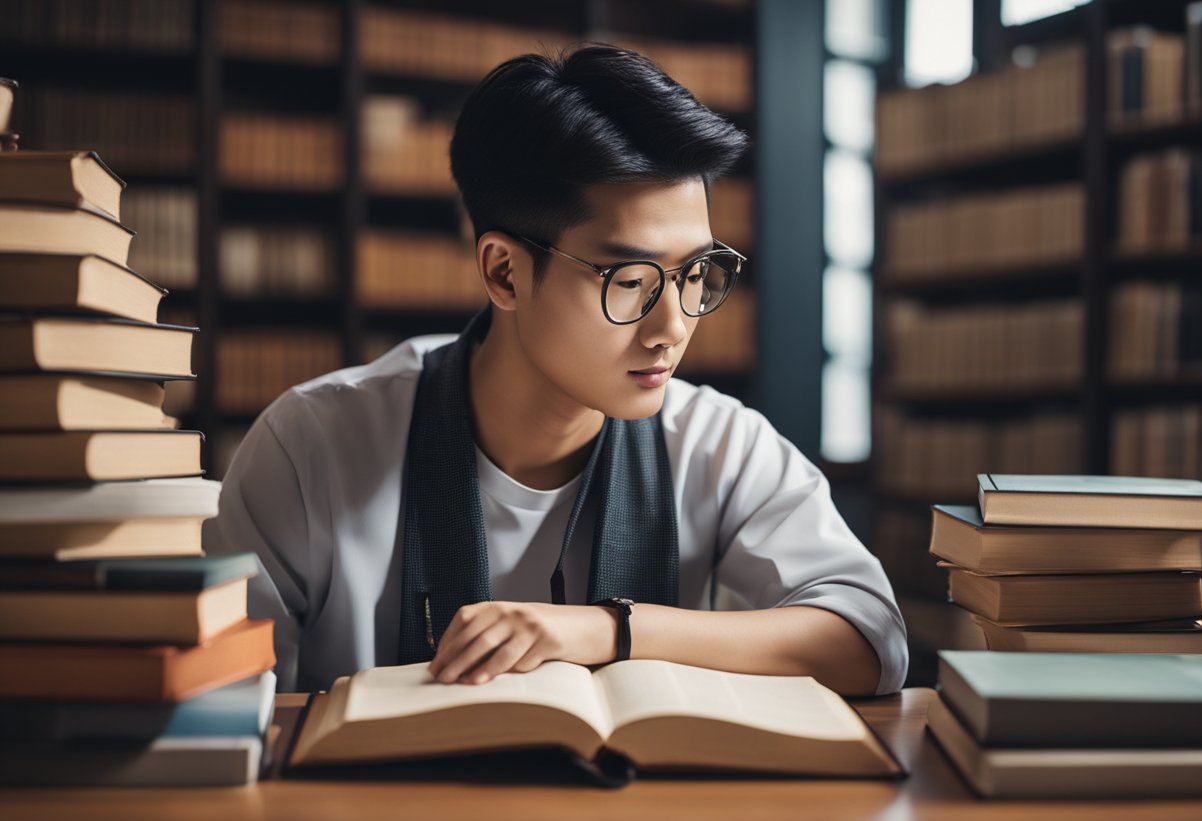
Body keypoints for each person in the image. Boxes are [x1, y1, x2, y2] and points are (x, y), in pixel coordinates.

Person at [203, 45, 907, 697]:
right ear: (504, 272)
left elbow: (870, 639)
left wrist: (611, 630)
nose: (675, 328)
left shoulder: (716, 443)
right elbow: (220, 700)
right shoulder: (313, 447)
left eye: (695, 272)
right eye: (630, 280)